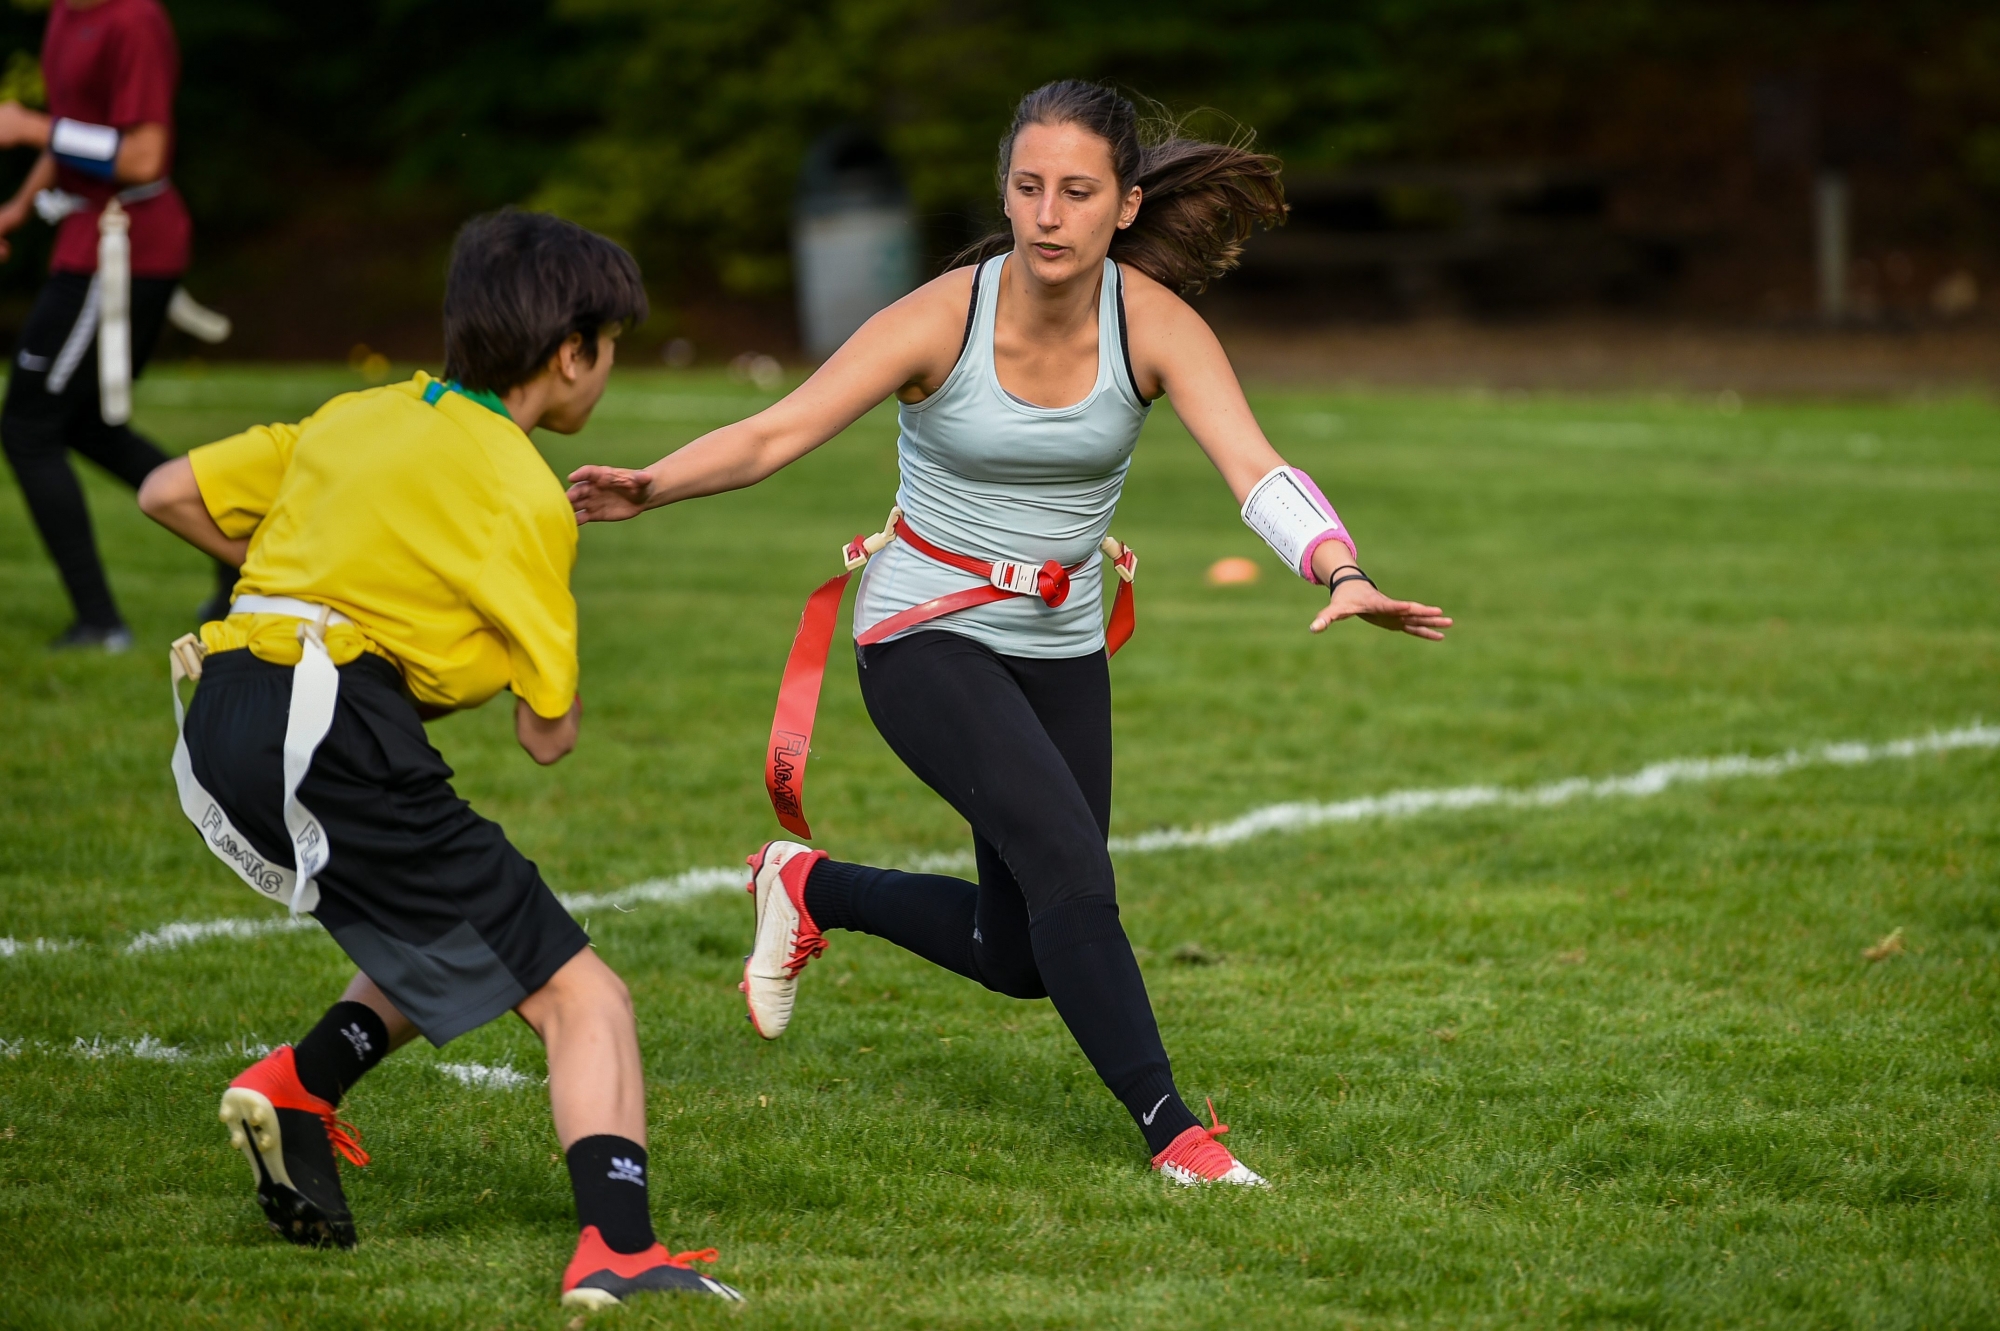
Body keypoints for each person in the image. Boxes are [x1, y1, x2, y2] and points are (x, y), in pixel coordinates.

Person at [567, 82, 1452, 1185]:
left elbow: (1254, 466)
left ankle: (808, 887)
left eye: (1075, 191)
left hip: (1061, 640)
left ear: (1122, 205)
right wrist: (648, 487)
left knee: (1022, 951)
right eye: (1027, 187)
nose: (1046, 213)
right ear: (1005, 190)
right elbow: (775, 430)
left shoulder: (1156, 326)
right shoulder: (944, 315)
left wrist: (1341, 567)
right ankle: (1174, 1130)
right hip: (922, 631)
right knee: (1073, 866)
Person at [136, 210, 742, 1307]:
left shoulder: (354, 412)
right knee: (582, 995)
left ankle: (300, 1088)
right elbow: (546, 734)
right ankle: (619, 1246)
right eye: (610, 349)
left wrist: (324, 585)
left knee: (459, 922)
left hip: (221, 707)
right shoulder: (518, 490)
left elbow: (167, 491)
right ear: (572, 354)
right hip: (334, 728)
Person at [0, 0, 232, 651]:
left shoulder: (135, 20)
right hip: (84, 238)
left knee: (28, 424)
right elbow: (72, 134)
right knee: (85, 424)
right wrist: (17, 208)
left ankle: (100, 622)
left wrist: (26, 127)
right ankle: (240, 551)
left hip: (128, 246)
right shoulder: (62, 16)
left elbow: (142, 157)